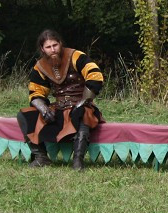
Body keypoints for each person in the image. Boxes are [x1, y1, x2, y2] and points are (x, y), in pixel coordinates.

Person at [16, 29, 104, 171]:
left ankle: (78, 161)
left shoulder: (75, 56)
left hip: (81, 103)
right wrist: (43, 109)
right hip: (58, 107)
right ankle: (41, 158)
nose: (53, 50)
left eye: (55, 45)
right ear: (42, 49)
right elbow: (36, 92)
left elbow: (94, 75)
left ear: (60, 43)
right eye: (48, 47)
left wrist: (83, 102)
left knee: (83, 113)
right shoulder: (40, 67)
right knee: (24, 115)